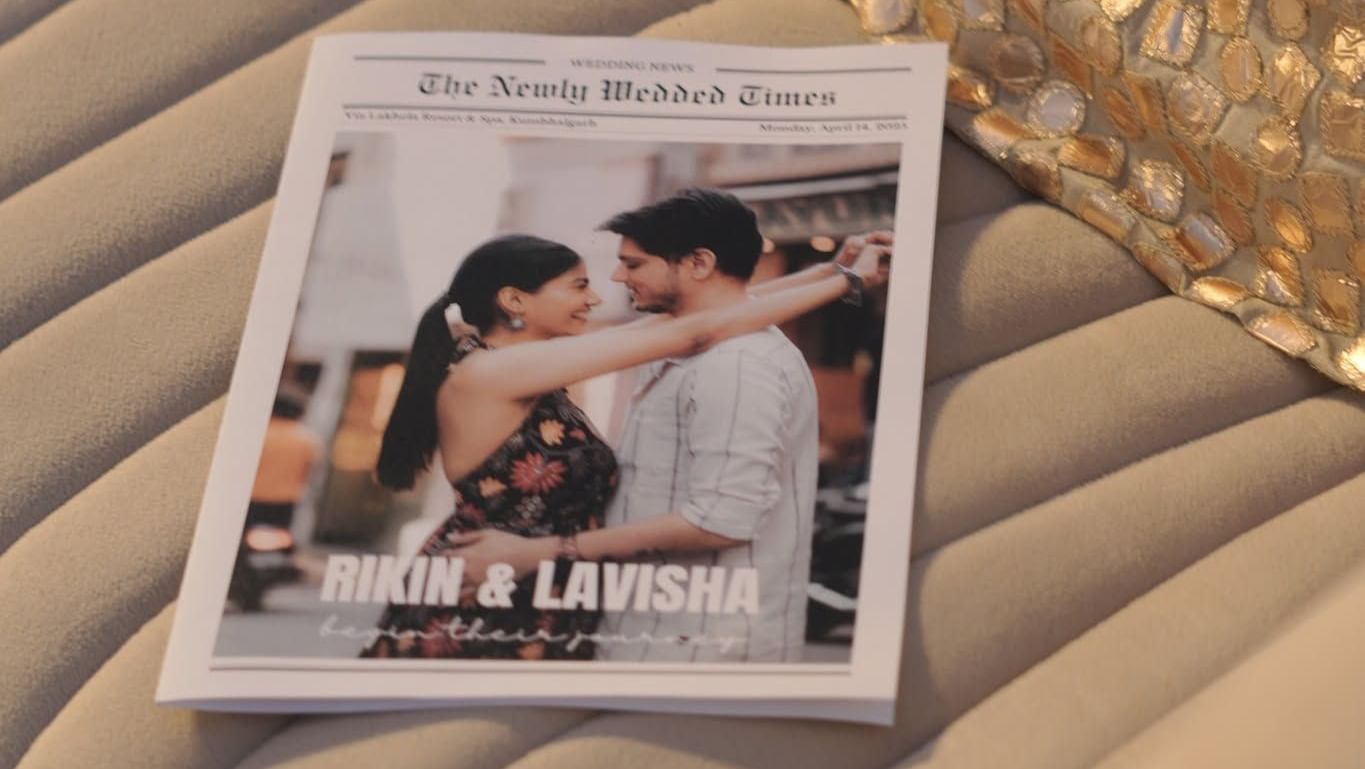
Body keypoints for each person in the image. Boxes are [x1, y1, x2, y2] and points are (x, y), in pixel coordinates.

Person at [446, 189, 892, 662]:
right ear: (513, 300)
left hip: (690, 642)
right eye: (577, 287)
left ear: (698, 263)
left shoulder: (734, 362)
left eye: (633, 264)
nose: (609, 284)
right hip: (578, 608)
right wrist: (842, 279)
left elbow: (722, 516)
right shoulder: (504, 369)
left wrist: (833, 273)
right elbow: (698, 328)